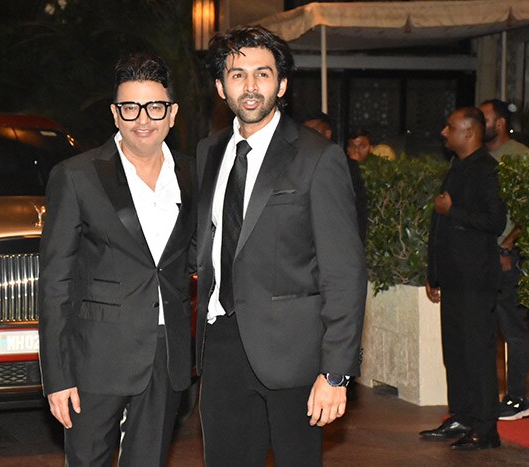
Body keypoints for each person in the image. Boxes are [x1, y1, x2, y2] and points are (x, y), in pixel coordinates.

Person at [195, 26, 367, 466]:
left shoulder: (318, 157)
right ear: (220, 86)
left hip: (294, 355)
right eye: (237, 75)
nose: (250, 87)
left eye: (263, 74)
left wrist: (336, 372)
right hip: (220, 346)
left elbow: (343, 272)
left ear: (282, 84)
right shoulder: (208, 153)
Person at [38, 53, 195, 467]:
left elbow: (191, 256)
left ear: (172, 113)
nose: (143, 118)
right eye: (130, 107)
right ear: (115, 113)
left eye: (155, 106)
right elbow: (55, 280)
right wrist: (57, 375)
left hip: (165, 354)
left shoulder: (191, 175)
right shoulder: (76, 175)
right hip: (95, 356)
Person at [420, 107, 507, 450]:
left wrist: (452, 211)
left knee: (477, 354)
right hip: (454, 278)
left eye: (450, 127)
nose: (444, 132)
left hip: (475, 281)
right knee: (455, 352)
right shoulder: (459, 166)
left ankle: (486, 430)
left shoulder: (486, 170)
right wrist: (434, 272)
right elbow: (440, 225)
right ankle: (462, 416)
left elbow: (494, 221)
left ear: (469, 133)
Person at [479, 99, 529, 420]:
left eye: (483, 118)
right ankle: (493, 394)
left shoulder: (520, 156)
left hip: (505, 256)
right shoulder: (481, 157)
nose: (478, 122)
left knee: (513, 329)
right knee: (486, 327)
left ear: (499, 123)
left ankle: (518, 399)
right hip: (483, 255)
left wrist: (507, 246)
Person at [303, 112, 368, 243]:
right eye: (305, 132)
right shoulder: (297, 166)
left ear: (327, 133)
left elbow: (357, 209)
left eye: (314, 130)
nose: (308, 136)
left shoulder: (345, 166)